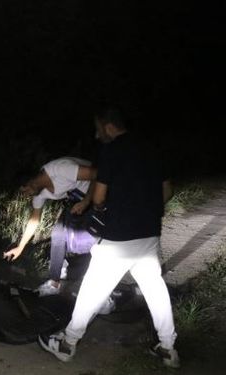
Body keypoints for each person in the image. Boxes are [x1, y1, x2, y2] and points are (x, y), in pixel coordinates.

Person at [38, 106, 180, 368]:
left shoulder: (112, 151)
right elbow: (167, 191)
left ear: (108, 126)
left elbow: (100, 197)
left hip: (118, 237)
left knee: (92, 289)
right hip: (148, 233)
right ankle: (168, 348)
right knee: (154, 289)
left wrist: (103, 210)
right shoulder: (152, 148)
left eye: (97, 128)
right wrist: (144, 211)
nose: (96, 134)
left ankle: (67, 343)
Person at [3, 157, 98, 296]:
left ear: (30, 182)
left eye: (24, 191)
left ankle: (91, 281)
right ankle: (55, 281)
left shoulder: (59, 169)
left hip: (98, 194)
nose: (25, 196)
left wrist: (86, 201)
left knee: (93, 241)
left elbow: (97, 174)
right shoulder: (39, 193)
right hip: (77, 200)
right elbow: (34, 220)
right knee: (58, 234)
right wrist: (20, 247)